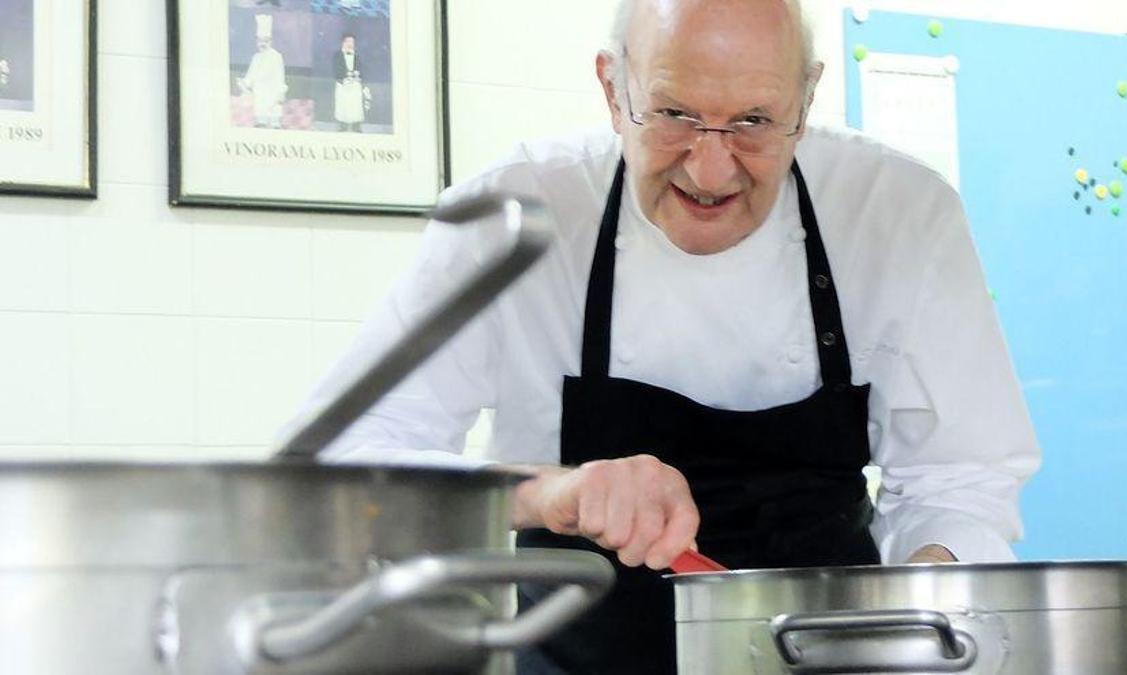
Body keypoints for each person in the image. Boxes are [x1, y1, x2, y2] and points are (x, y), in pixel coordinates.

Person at [291, 0, 1040, 672]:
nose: (711, 168)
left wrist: (928, 589)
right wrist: (550, 491)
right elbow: (340, 469)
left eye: (753, 120)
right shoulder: (516, 214)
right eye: (675, 113)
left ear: (806, 101)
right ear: (613, 90)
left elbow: (963, 479)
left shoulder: (897, 214)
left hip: (828, 660)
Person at [237, 15, 287, 129]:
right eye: (260, 41)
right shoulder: (256, 57)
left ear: (270, 41)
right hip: (260, 97)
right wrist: (243, 83)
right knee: (260, 124)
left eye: (266, 41)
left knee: (274, 125)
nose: (262, 44)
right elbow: (250, 77)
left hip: (273, 96)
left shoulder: (276, 56)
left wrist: (280, 93)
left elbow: (280, 77)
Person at [333, 33, 369, 132]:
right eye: (348, 41)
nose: (350, 44)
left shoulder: (357, 56)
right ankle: (343, 126)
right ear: (343, 43)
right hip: (342, 86)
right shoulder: (337, 56)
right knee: (343, 106)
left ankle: (356, 126)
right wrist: (343, 80)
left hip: (354, 86)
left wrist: (357, 78)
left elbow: (361, 70)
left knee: (355, 107)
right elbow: (335, 70)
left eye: (352, 42)